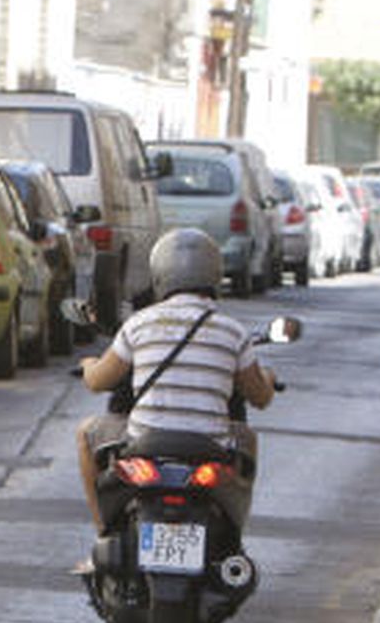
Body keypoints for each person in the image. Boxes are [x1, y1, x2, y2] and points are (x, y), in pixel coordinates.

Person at [74, 227, 277, 533]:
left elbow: (98, 381)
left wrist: (89, 364)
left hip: (144, 444)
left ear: (159, 276)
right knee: (248, 438)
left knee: (85, 433)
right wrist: (268, 379)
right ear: (215, 275)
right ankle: (234, 531)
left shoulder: (138, 324)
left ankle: (103, 528)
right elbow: (260, 397)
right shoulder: (233, 331)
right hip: (210, 447)